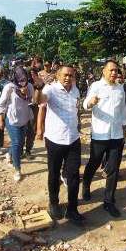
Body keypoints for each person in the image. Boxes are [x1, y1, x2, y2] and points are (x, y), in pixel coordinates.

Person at [37, 65, 84, 225]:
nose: (68, 78)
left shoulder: (75, 90)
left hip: (73, 139)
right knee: (54, 173)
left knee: (73, 175)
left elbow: (76, 109)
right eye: (65, 75)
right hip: (55, 139)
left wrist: (78, 125)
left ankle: (72, 209)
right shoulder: (50, 89)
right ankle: (54, 202)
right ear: (57, 75)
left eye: (71, 75)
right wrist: (37, 88)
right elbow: (40, 100)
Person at [82, 60, 126, 218]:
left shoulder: (120, 89)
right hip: (100, 133)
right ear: (104, 71)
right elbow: (85, 105)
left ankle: (109, 201)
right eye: (111, 70)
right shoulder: (96, 86)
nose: (114, 73)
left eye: (116, 70)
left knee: (113, 168)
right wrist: (91, 102)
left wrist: (123, 128)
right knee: (94, 162)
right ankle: (86, 184)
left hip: (116, 134)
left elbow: (122, 111)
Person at [0, 66, 35, 181]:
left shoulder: (30, 86)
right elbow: (0, 105)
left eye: (24, 79)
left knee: (20, 142)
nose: (23, 81)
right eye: (20, 79)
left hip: (24, 118)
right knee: (17, 143)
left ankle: (9, 154)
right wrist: (1, 120)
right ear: (15, 78)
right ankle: (17, 169)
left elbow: (33, 101)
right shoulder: (9, 88)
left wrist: (27, 94)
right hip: (12, 119)